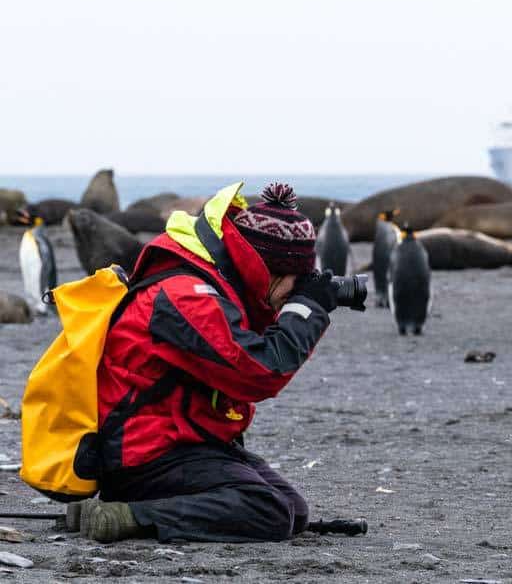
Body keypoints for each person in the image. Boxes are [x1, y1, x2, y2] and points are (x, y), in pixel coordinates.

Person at [67, 182, 339, 543]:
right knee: (268, 510)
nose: (298, 287)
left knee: (291, 509)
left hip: (186, 441)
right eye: (297, 278)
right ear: (269, 268)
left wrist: (294, 306)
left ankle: (129, 507)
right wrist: (306, 311)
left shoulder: (215, 282)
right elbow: (259, 372)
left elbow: (254, 352)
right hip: (144, 455)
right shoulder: (185, 296)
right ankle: (126, 514)